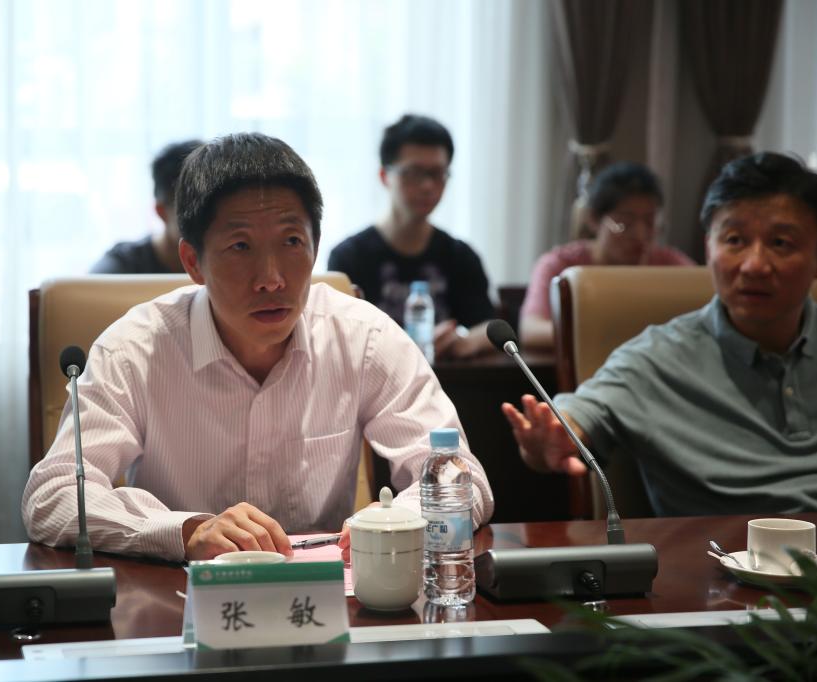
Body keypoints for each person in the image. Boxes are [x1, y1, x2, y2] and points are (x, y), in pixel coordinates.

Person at [24, 132, 494, 562]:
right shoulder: (135, 350)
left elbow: (464, 479)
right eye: (241, 247)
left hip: (326, 602)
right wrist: (185, 531)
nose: (271, 279)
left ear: (315, 246)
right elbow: (54, 495)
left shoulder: (364, 337)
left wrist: (397, 520)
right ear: (193, 262)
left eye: (291, 241)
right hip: (178, 603)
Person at [502, 152, 817, 516]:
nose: (754, 265)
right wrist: (552, 437)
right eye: (735, 240)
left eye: (780, 243)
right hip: (717, 548)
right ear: (709, 248)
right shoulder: (658, 357)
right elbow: (581, 413)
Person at [328, 114, 496, 359]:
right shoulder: (349, 257)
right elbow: (337, 338)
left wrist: (465, 341)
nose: (427, 186)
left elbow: (490, 327)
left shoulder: (460, 256)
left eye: (437, 173)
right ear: (384, 176)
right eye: (414, 173)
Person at [519, 162, 694, 348]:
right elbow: (531, 331)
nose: (640, 235)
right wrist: (607, 337)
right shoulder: (560, 265)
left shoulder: (669, 264)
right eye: (624, 224)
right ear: (594, 219)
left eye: (649, 223)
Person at [90, 139, 203, 274]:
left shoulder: (221, 260)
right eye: (196, 212)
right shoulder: (123, 265)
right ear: (161, 212)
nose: (207, 222)